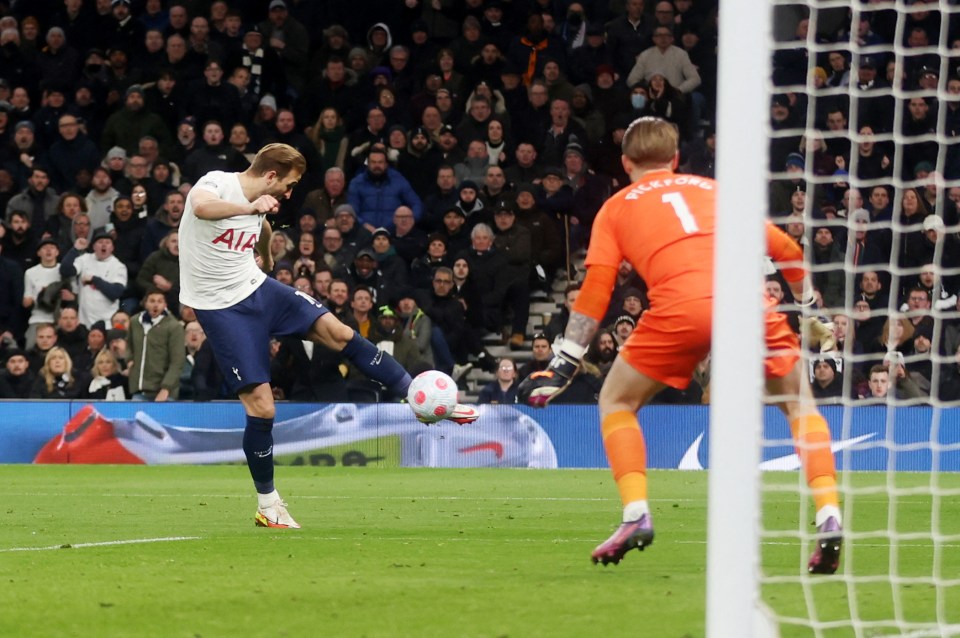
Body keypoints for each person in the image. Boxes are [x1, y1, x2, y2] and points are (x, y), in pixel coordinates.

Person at [518, 117, 842, 574]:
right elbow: (787, 249)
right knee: (800, 407)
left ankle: (636, 513)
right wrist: (810, 310)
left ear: (626, 162)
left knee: (616, 400)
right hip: (747, 306)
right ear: (674, 160)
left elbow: (596, 290)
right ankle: (829, 512)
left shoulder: (614, 207)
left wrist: (565, 363)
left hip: (679, 310)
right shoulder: (714, 190)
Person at [178, 143, 478, 530]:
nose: (290, 193)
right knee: (262, 407)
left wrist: (266, 257)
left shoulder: (261, 209)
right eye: (289, 185)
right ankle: (268, 505)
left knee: (339, 332)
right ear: (271, 177)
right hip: (220, 307)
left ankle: (417, 397)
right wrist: (250, 209)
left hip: (257, 287)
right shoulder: (216, 183)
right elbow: (202, 208)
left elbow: (263, 226)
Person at [129, 289, 185, 401]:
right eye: (152, 301)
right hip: (140, 390)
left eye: (160, 301)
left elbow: (177, 361)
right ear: (145, 303)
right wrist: (129, 360)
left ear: (165, 305)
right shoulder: (135, 322)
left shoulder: (174, 327)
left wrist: (166, 388)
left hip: (164, 392)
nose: (156, 305)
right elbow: (129, 345)